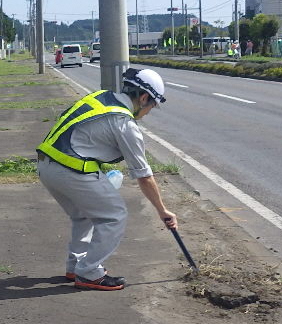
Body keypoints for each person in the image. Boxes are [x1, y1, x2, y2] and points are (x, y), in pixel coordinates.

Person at [35, 67, 177, 291]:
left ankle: (76, 266)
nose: (149, 111)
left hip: (46, 166)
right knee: (114, 216)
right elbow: (144, 175)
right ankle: (89, 272)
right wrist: (163, 210)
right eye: (152, 106)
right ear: (143, 98)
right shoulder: (124, 123)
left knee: (83, 215)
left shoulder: (99, 97)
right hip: (71, 170)